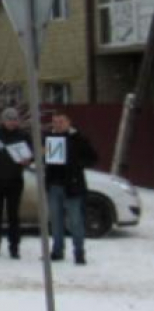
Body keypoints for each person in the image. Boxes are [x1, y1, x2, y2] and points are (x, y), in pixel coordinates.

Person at [45, 111, 98, 265]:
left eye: (61, 121)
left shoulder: (79, 139)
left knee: (75, 221)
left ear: (69, 122)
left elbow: (93, 158)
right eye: (55, 122)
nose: (58, 124)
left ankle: (79, 252)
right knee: (55, 221)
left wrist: (75, 163)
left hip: (73, 186)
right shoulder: (49, 138)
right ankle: (57, 250)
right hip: (54, 185)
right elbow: (43, 158)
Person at [0, 108, 32, 259]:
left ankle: (14, 247)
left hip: (15, 179)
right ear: (3, 120)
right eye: (9, 119)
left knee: (13, 215)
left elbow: (31, 154)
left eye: (15, 119)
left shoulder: (23, 135)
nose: (12, 122)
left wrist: (28, 159)